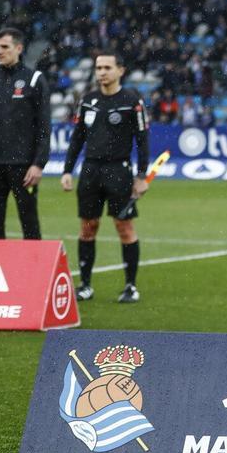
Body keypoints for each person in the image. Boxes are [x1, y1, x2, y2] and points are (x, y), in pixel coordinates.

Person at [60, 53, 150, 304]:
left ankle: (130, 286)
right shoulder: (88, 100)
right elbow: (77, 137)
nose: (102, 72)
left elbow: (142, 141)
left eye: (107, 67)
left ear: (120, 70)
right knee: (88, 227)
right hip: (90, 170)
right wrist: (67, 170)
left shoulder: (132, 101)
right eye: (99, 68)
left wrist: (141, 175)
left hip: (119, 171)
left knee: (125, 227)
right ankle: (85, 285)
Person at [0, 27, 50, 241]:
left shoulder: (34, 79)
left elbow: (44, 126)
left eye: (4, 47)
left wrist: (38, 163)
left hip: (23, 165)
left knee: (29, 220)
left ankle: (35, 272)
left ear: (18, 48)